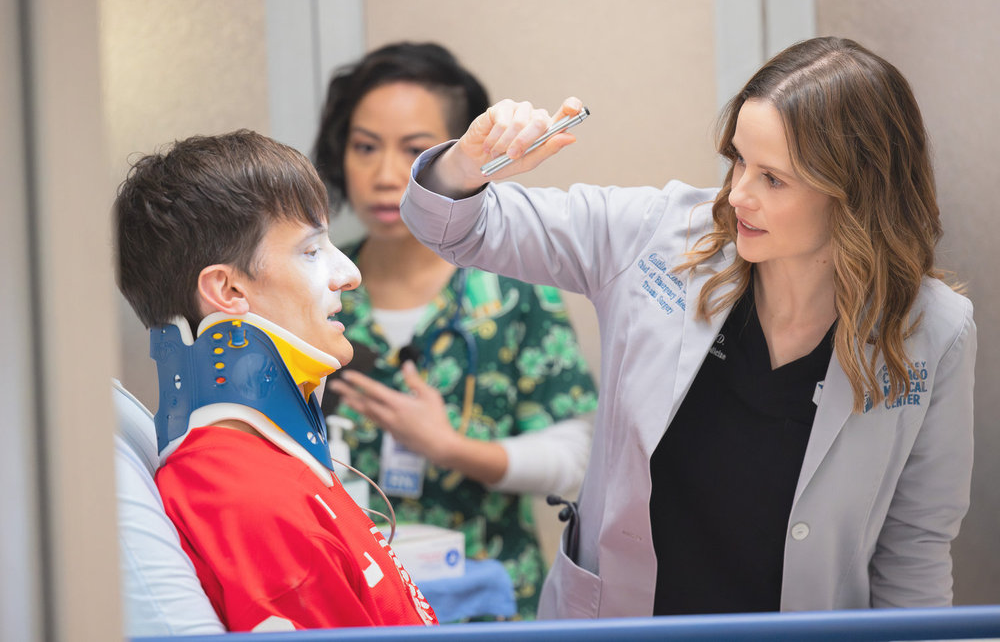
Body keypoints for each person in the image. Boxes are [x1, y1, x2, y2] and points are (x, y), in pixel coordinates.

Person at [399, 36, 977, 617]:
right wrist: (469, 163)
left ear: (858, 194)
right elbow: (456, 227)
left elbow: (915, 548)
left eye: (773, 179)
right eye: (737, 160)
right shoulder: (655, 236)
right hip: (624, 624)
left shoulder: (932, 330)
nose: (737, 195)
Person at [312, 41, 598, 619]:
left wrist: (453, 449)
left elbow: (574, 458)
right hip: (349, 600)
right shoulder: (314, 282)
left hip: (489, 604)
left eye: (415, 150)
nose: (387, 174)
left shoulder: (514, 283)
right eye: (365, 147)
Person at [114, 130, 438, 631]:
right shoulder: (244, 499)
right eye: (311, 251)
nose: (349, 273)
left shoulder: (276, 470)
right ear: (227, 288)